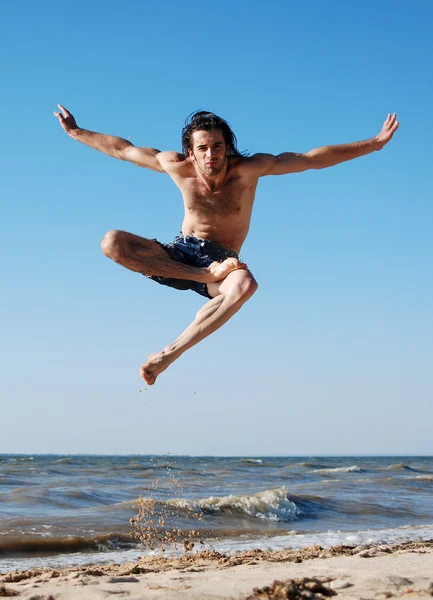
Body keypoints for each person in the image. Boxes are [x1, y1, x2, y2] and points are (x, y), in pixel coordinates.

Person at [54, 105, 399, 385]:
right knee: (111, 242)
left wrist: (373, 144)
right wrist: (76, 132)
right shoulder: (176, 166)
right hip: (182, 255)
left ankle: (166, 356)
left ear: (228, 147)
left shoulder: (249, 169)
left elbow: (311, 159)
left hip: (224, 260)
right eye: (202, 148)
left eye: (217, 146)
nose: (211, 155)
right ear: (191, 151)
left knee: (246, 285)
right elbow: (123, 150)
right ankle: (202, 275)